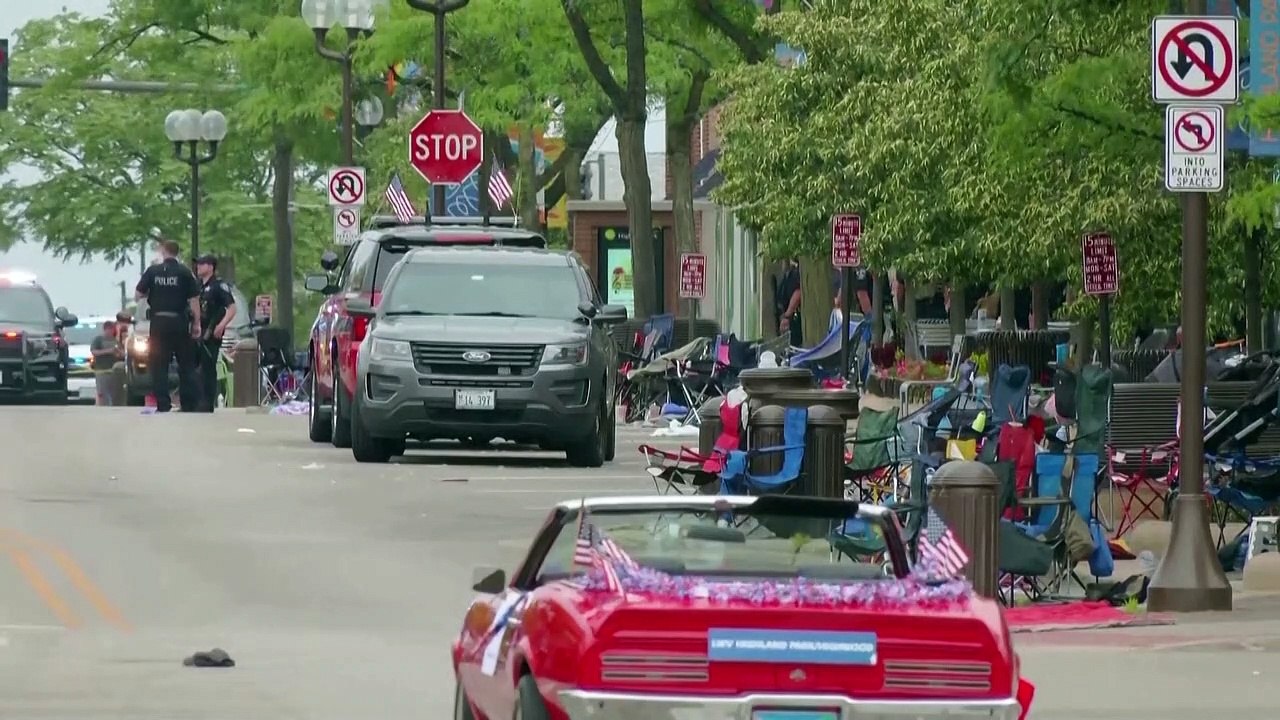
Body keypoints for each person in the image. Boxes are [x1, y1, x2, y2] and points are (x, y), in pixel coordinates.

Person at [135, 240, 201, 412]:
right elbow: (194, 300)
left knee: (159, 365)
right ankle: (188, 403)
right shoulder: (185, 272)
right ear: (177, 253)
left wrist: (154, 293)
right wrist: (197, 323)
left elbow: (138, 295)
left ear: (163, 252)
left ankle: (163, 404)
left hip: (158, 323)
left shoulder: (153, 271)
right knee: (186, 363)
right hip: (179, 322)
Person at [194, 254, 237, 412]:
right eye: (198, 264)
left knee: (208, 366)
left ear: (211, 267)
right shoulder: (198, 285)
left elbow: (231, 308)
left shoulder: (219, 286)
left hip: (211, 332)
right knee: (194, 366)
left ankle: (207, 402)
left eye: (202, 263)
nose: (198, 266)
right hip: (197, 331)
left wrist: (221, 325)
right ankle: (196, 401)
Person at [89, 321, 122, 406]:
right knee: (102, 394)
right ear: (105, 329)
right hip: (101, 371)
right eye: (109, 329)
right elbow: (94, 352)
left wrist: (119, 353)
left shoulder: (116, 341)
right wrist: (108, 351)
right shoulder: (98, 340)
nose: (110, 331)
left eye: (112, 329)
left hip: (114, 371)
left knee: (115, 394)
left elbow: (122, 353)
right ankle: (102, 408)